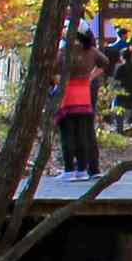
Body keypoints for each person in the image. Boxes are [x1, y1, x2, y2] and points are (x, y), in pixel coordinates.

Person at [55, 27, 105, 177]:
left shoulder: (65, 52)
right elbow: (105, 62)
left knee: (68, 132)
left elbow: (53, 69)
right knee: (84, 132)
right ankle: (84, 168)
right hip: (84, 95)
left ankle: (69, 169)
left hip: (68, 95)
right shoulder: (92, 51)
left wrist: (58, 83)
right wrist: (90, 77)